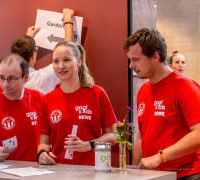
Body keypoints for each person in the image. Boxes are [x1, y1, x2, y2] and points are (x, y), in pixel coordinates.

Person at [123, 27, 200, 179]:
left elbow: (198, 133)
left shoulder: (185, 86)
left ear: (155, 56)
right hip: (155, 175)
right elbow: (142, 136)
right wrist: (133, 172)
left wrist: (160, 157)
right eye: (130, 60)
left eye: (135, 59)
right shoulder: (144, 90)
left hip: (187, 174)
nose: (131, 66)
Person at [37, 41, 117, 166]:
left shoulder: (97, 93)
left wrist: (89, 145)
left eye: (66, 60)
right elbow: (44, 143)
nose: (60, 66)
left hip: (92, 170)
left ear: (78, 62)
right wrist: (42, 153)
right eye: (56, 61)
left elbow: (113, 136)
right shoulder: (47, 99)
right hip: (58, 170)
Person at [0, 54, 44, 162]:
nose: (5, 84)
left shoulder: (40, 99)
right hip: (6, 171)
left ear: (25, 78)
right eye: (1, 78)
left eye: (11, 78)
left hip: (38, 169)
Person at [11, 8, 75, 94]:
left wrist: (27, 40)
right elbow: (70, 51)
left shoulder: (8, 80)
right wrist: (67, 20)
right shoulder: (43, 78)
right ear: (33, 55)